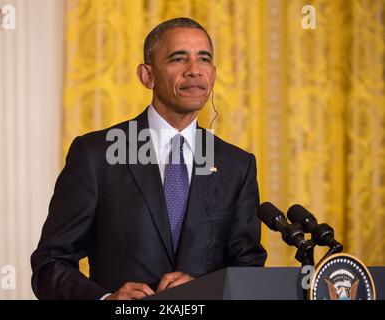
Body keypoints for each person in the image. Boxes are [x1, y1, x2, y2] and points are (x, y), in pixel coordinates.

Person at [31, 17, 266, 300]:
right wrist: (106, 300)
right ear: (147, 76)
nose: (194, 71)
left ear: (213, 74)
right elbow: (50, 263)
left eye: (204, 59)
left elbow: (249, 270)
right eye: (179, 59)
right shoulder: (96, 155)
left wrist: (208, 292)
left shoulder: (237, 165)